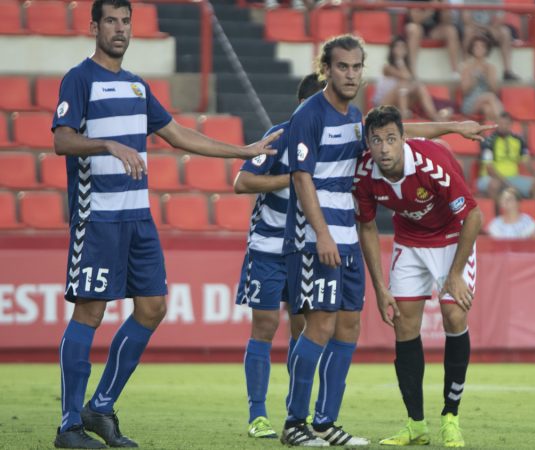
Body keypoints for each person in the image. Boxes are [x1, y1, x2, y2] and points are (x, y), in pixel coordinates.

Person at [51, 0, 282, 448]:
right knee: (91, 312)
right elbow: (62, 140)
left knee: (153, 307)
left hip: (138, 218)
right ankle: (68, 426)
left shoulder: (137, 87)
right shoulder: (79, 79)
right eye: (111, 22)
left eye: (126, 21)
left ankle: (100, 407)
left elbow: (178, 135)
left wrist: (241, 150)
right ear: (94, 26)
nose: (120, 29)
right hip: (97, 219)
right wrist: (108, 146)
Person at [279, 34, 495, 447]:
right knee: (322, 325)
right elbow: (300, 176)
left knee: (347, 327)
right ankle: (296, 423)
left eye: (357, 66)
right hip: (320, 237)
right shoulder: (310, 114)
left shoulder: (357, 119)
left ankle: (326, 423)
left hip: (358, 239)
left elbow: (396, 131)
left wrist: (451, 127)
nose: (350, 74)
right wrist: (322, 233)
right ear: (326, 69)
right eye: (342, 66)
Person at [353, 105, 482, 448]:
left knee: (454, 314)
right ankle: (416, 425)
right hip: (409, 240)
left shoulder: (431, 164)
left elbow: (473, 217)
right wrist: (380, 288)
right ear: (367, 143)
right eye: (376, 140)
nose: (384, 148)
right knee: (404, 325)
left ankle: (451, 417)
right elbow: (365, 226)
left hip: (453, 237)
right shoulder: (364, 173)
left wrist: (454, 274)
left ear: (404, 139)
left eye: (391, 139)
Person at [232, 73, 325, 440]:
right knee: (266, 324)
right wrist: (292, 179)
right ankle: (257, 415)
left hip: (306, 249)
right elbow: (242, 182)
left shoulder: (333, 140)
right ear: (305, 105)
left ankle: (294, 415)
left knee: (303, 329)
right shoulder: (279, 135)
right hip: (268, 246)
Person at [372, 36, 452, 121]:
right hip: (383, 104)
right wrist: (399, 59)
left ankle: (433, 115)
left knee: (419, 86)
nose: (400, 49)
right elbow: (405, 76)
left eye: (403, 47)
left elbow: (412, 80)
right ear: (392, 50)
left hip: (399, 102)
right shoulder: (387, 67)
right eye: (397, 46)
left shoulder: (407, 67)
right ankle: (404, 114)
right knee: (402, 85)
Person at [477, 111, 535, 199]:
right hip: (490, 178)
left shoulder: (519, 140)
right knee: (495, 185)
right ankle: (498, 212)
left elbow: (527, 162)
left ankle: (534, 211)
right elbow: (489, 169)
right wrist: (507, 184)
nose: (503, 126)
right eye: (501, 123)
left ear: (511, 124)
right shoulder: (489, 141)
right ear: (496, 124)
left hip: (513, 178)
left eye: (506, 124)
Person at [461, 0, 521, 81]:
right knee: (467, 31)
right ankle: (465, 70)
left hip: (490, 29)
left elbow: (500, 19)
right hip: (475, 29)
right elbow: (466, 20)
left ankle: (507, 71)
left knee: (505, 32)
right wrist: (482, 28)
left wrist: (488, 29)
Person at [404, 0, 461, 78]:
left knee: (451, 31)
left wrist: (445, 9)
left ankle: (455, 72)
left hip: (433, 31)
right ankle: (413, 71)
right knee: (415, 29)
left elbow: (447, 21)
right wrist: (430, 8)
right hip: (416, 27)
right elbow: (416, 19)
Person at [459, 34, 505, 123]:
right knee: (489, 96)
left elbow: (495, 91)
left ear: (486, 49)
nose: (479, 48)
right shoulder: (466, 67)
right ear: (472, 49)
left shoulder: (491, 67)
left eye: (482, 46)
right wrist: (473, 78)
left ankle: (491, 134)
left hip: (487, 101)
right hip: (470, 103)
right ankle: (504, 123)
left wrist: (488, 76)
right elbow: (465, 91)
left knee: (487, 109)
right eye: (476, 46)